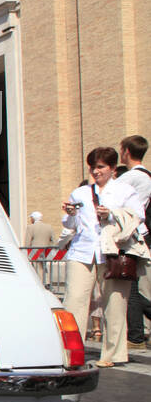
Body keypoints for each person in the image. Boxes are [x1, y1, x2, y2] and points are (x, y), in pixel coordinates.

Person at [61, 146, 149, 366]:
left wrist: (112, 214)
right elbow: (72, 226)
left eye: (101, 167)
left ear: (112, 168)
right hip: (82, 251)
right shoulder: (80, 192)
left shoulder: (124, 190)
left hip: (113, 253)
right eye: (93, 167)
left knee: (115, 304)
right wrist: (71, 214)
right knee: (74, 301)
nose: (96, 171)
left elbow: (137, 217)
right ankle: (71, 353)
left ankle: (113, 354)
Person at [118, 135, 151, 348]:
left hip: (134, 236)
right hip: (140, 234)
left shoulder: (131, 178)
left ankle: (136, 335)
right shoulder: (146, 175)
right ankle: (137, 334)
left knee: (132, 286)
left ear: (126, 152)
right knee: (136, 286)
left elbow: (110, 196)